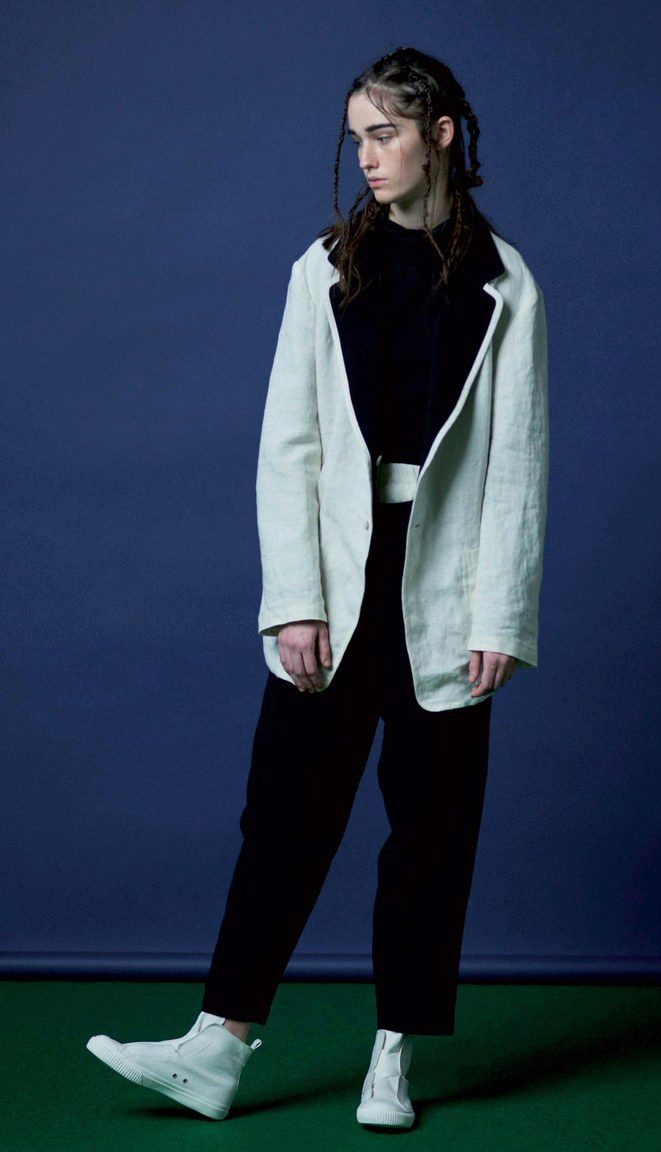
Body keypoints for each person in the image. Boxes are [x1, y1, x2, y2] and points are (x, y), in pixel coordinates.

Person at [86, 45, 549, 1132]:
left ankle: (394, 1058)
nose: (368, 158)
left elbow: (518, 464)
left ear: (440, 135)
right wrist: (293, 597)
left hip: (448, 582)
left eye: (385, 135)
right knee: (286, 812)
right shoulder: (323, 268)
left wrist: (501, 615)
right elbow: (286, 445)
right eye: (357, 139)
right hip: (340, 575)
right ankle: (218, 1045)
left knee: (431, 826)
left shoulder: (506, 283)